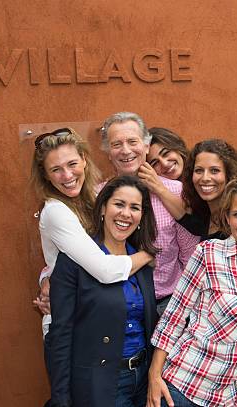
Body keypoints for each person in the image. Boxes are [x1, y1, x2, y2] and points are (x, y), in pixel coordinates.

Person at [147, 170, 237, 407]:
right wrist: (154, 377)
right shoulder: (209, 253)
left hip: (232, 394)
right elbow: (175, 316)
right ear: (228, 218)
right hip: (183, 389)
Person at [29, 128, 153, 338]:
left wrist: (47, 277)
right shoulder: (55, 211)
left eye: (72, 164)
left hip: (99, 316)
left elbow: (64, 257)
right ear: (45, 175)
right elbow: (105, 270)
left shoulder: (95, 197)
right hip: (73, 325)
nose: (67, 175)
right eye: (56, 169)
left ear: (84, 160)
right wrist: (147, 255)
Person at [47, 176, 159, 407]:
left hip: (143, 382)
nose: (126, 214)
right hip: (101, 383)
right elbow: (60, 335)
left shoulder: (142, 261)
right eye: (119, 204)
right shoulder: (74, 261)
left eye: (134, 207)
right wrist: (61, 399)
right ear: (103, 209)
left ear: (141, 217)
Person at [100, 112, 199, 315]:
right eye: (116, 144)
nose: (126, 150)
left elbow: (191, 256)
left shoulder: (175, 191)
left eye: (132, 141)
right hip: (117, 305)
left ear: (146, 145)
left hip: (168, 304)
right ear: (109, 153)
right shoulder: (97, 196)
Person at [179, 138, 237, 239]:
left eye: (214, 170)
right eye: (199, 170)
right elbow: (182, 217)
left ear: (229, 174)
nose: (205, 178)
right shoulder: (205, 216)